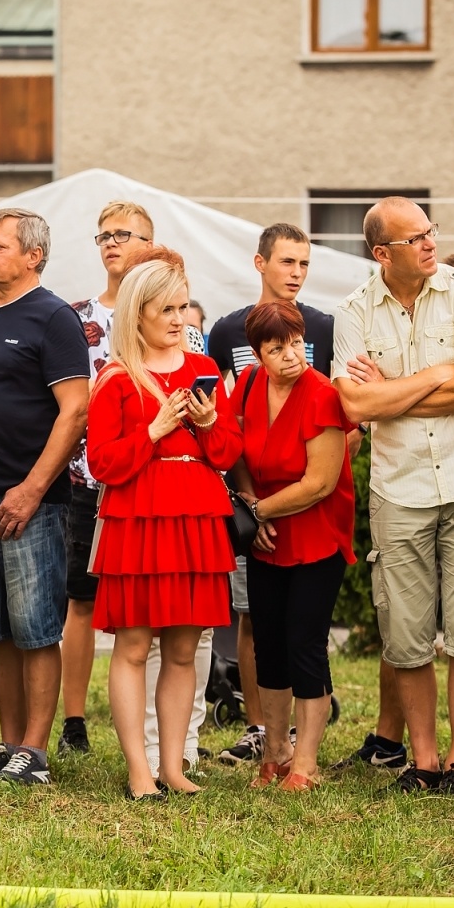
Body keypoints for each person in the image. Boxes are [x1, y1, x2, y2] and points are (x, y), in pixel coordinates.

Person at [333, 198, 454, 796]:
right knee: (406, 634)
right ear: (383, 253)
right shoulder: (353, 313)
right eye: (417, 238)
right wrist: (438, 376)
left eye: (432, 232)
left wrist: (398, 392)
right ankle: (425, 760)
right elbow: (356, 406)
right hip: (399, 486)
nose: (431, 244)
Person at [85, 257, 238, 801]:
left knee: (183, 647)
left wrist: (209, 422)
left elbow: (226, 454)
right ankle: (138, 771)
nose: (177, 318)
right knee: (132, 645)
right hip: (139, 517)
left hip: (196, 513)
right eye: (165, 309)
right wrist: (153, 430)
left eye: (181, 306)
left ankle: (173, 766)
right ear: (138, 314)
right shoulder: (116, 377)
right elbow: (100, 463)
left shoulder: (202, 367)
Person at [0, 208, 90, 786]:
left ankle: (35, 751)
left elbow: (75, 410)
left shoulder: (53, 317)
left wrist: (32, 489)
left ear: (33, 255)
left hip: (31, 500)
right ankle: (8, 743)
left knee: (34, 628)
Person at [232, 301, 355, 792]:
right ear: (257, 354)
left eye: (297, 342)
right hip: (266, 529)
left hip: (315, 533)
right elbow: (235, 450)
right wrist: (248, 499)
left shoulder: (322, 394)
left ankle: (305, 762)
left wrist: (260, 512)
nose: (291, 354)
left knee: (305, 643)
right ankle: (276, 749)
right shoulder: (247, 386)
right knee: (268, 644)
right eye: (276, 347)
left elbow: (320, 482)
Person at [62, 200, 156, 757]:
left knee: (144, 605)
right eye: (104, 235)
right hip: (85, 479)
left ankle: (145, 719)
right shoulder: (75, 317)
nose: (112, 243)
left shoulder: (169, 313)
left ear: (151, 243)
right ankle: (74, 719)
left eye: (125, 234)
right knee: (80, 599)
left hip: (148, 478)